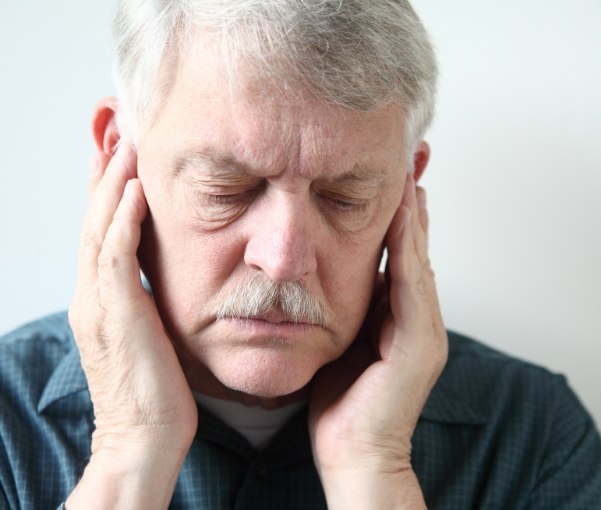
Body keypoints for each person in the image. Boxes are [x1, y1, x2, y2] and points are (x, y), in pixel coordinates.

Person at [1, 0, 600, 508]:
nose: (284, 257)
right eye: (225, 190)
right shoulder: (9, 421)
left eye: (345, 196)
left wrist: (377, 469)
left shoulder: (533, 432)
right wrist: (130, 450)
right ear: (117, 158)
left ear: (404, 190)